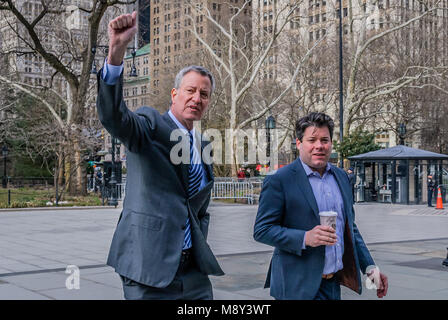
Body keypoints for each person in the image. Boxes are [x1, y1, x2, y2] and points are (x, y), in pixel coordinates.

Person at [96, 12, 224, 300]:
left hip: (193, 272)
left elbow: (198, 205)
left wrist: (198, 235)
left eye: (204, 94)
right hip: (148, 268)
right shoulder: (150, 124)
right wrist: (116, 53)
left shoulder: (203, 145)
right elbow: (115, 118)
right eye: (190, 91)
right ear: (174, 94)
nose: (197, 98)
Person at [253, 112, 388, 300]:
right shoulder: (280, 180)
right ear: (299, 143)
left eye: (325, 140)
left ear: (331, 143)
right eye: (312, 140)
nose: (319, 146)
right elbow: (262, 230)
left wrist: (369, 267)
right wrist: (305, 237)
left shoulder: (342, 177)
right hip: (296, 287)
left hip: (333, 285)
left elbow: (350, 228)